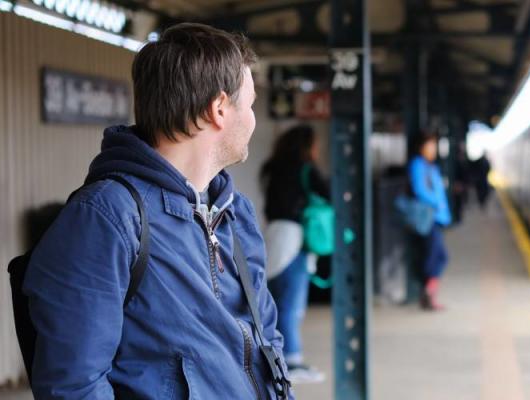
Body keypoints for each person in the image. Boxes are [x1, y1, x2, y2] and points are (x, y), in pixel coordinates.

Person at [22, 23, 293, 399]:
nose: (252, 117)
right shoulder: (106, 217)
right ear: (218, 109)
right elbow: (73, 386)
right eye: (248, 104)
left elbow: (267, 343)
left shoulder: (235, 213)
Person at [260, 124, 329, 383]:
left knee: (276, 301)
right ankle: (292, 360)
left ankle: (278, 355)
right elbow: (329, 194)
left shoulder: (272, 168)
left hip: (274, 236)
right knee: (292, 303)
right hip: (295, 240)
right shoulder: (305, 170)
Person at [409, 132, 452, 310]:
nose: (433, 149)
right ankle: (428, 293)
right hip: (429, 218)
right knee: (437, 257)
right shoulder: (418, 165)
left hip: (437, 218)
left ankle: (429, 294)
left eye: (434, 146)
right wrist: (438, 205)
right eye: (430, 145)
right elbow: (420, 191)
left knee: (436, 256)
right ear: (421, 147)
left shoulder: (431, 167)